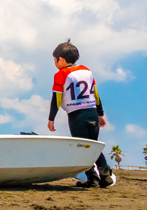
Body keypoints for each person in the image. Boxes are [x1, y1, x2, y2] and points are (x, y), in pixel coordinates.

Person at [47, 39, 115, 188]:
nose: (55, 62)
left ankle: (93, 179)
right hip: (92, 112)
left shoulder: (61, 74)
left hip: (77, 115)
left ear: (61, 59)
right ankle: (105, 175)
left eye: (55, 59)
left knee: (83, 148)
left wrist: (51, 118)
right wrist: (100, 114)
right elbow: (96, 95)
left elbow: (56, 98)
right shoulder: (87, 71)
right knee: (93, 146)